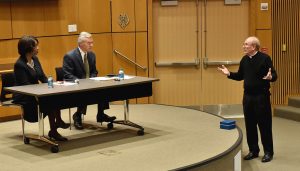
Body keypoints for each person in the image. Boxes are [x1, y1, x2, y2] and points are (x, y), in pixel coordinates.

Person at [218, 36, 277, 163]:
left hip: (262, 97)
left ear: (254, 47)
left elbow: (274, 75)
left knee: (264, 126)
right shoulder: (244, 59)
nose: (243, 46)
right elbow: (240, 76)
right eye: (243, 44)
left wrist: (269, 77)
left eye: (246, 44)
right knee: (250, 126)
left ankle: (268, 152)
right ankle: (253, 151)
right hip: (248, 97)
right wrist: (229, 74)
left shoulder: (265, 58)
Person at [13, 35, 70, 141]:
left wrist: (54, 85)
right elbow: (25, 85)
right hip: (24, 95)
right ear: (28, 48)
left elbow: (42, 76)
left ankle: (55, 126)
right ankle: (55, 128)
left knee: (55, 96)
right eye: (36, 46)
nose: (38, 48)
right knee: (49, 101)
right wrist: (42, 89)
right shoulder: (19, 64)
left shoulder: (35, 59)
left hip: (37, 91)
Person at [62, 32, 116, 130]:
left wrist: (92, 79)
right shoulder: (69, 56)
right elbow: (67, 75)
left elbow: (94, 71)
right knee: (84, 92)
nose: (92, 45)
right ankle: (77, 116)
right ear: (81, 43)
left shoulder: (92, 55)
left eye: (92, 42)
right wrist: (82, 82)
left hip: (89, 83)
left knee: (103, 89)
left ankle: (101, 114)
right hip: (76, 85)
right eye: (89, 43)